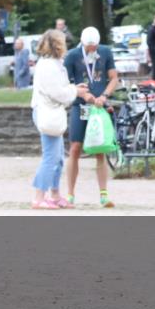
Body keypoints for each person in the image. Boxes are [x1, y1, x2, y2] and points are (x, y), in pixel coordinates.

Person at [63, 26, 119, 208]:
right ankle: (70, 194)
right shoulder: (72, 55)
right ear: (82, 43)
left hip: (98, 108)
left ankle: (104, 195)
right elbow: (65, 82)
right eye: (89, 47)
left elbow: (113, 78)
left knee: (100, 149)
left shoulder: (105, 52)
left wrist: (104, 96)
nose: (92, 49)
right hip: (81, 107)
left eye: (94, 46)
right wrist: (82, 94)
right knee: (75, 148)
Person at [30, 30, 87, 209]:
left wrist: (73, 88)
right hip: (47, 113)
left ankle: (54, 195)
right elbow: (57, 93)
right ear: (57, 45)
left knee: (59, 158)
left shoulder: (54, 63)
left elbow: (60, 87)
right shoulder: (48, 66)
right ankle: (39, 197)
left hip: (52, 113)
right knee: (51, 157)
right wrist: (76, 91)